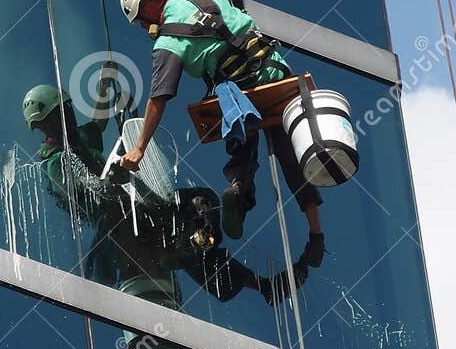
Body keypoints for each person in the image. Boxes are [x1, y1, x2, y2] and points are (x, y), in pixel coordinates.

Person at [115, 0, 326, 271]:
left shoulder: (168, 43)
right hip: (274, 71)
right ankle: (316, 234)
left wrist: (139, 147)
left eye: (141, 20)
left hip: (243, 92)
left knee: (241, 137)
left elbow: (158, 99)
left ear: (150, 6)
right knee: (289, 153)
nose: (143, 27)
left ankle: (239, 192)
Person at [21, 83, 294, 310]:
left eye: (68, 109)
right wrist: (113, 178)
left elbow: (97, 125)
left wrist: (108, 88)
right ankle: (212, 258)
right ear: (51, 122)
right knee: (182, 230)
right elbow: (92, 191)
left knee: (198, 204)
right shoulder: (56, 163)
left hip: (132, 205)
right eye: (63, 112)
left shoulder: (77, 139)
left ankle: (246, 275)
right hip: (118, 221)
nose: (69, 115)